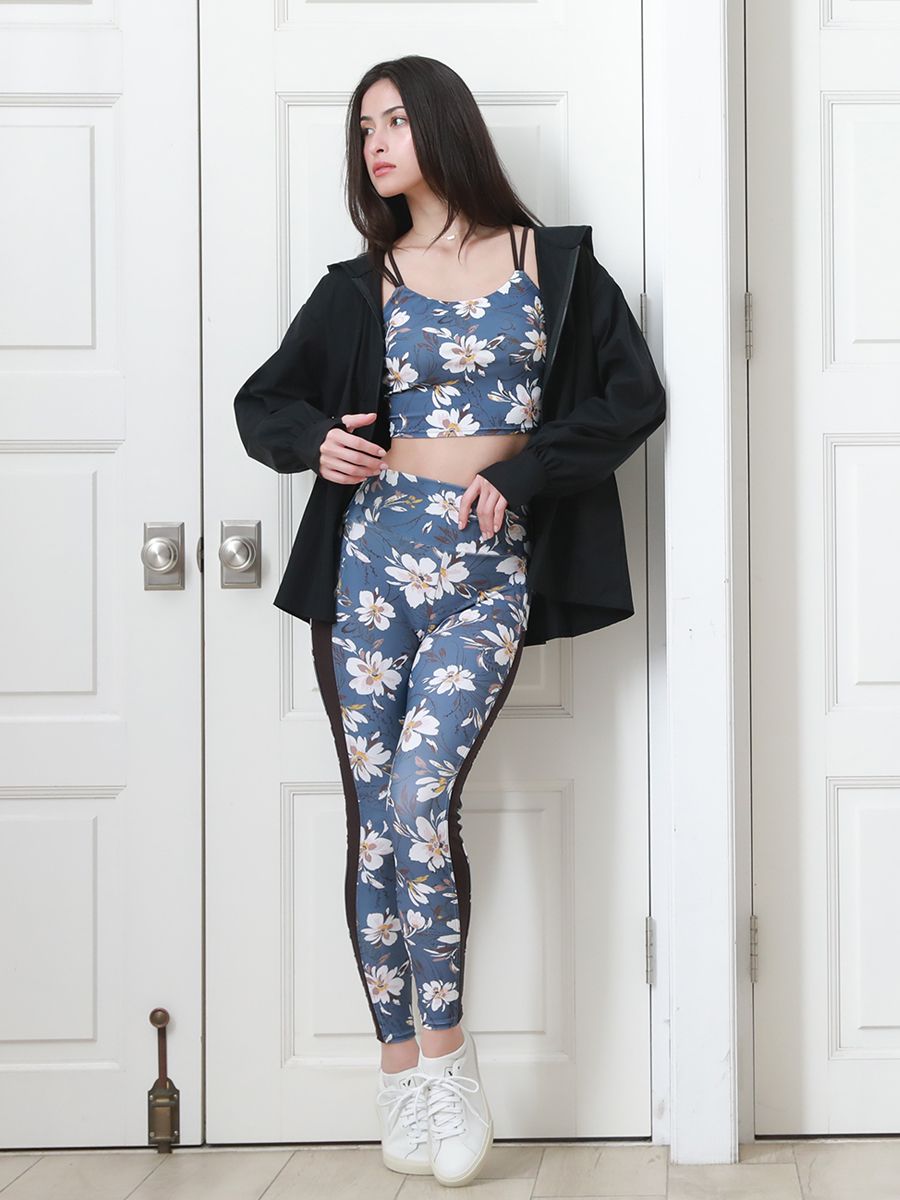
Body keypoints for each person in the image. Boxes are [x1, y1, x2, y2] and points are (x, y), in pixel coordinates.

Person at [234, 54, 667, 1189]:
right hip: (369, 567)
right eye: (362, 128)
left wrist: (525, 477)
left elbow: (634, 398)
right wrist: (314, 443)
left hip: (485, 569)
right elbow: (263, 402)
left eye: (393, 120)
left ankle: (451, 1060)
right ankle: (401, 1075)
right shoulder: (362, 281)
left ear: (442, 124)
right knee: (377, 822)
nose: (374, 143)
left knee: (422, 800)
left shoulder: (551, 264)